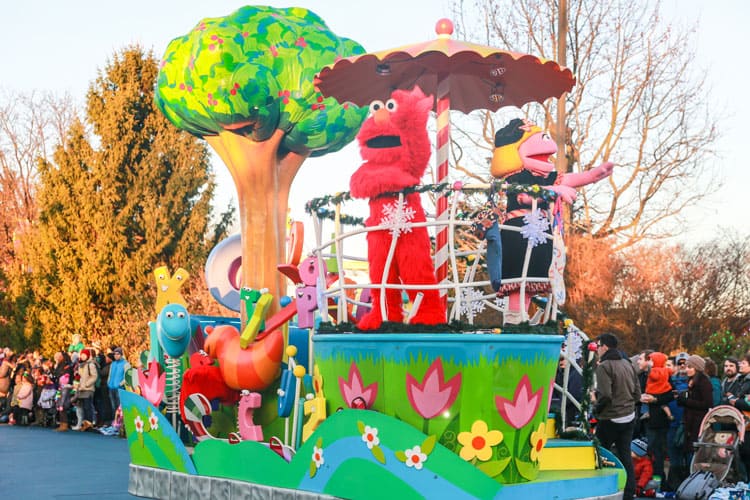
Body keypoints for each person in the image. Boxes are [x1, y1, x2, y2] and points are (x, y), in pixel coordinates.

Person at [593, 333, 641, 500]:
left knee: (600, 454)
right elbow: (637, 394)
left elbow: (605, 395)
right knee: (625, 455)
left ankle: (601, 490)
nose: (597, 350)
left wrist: (596, 408)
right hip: (629, 416)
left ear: (604, 346)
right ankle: (629, 493)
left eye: (598, 346)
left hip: (610, 417)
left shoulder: (604, 366)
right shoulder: (628, 364)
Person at [640, 352, 674, 481]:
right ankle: (644, 478)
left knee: (656, 451)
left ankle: (658, 480)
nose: (639, 362)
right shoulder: (641, 376)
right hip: (643, 418)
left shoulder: (662, 374)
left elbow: (670, 395)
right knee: (646, 450)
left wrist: (655, 399)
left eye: (643, 359)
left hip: (657, 420)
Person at [676, 355, 713, 465]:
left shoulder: (704, 382)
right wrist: (682, 398)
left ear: (696, 368)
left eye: (689, 367)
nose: (686, 369)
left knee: (694, 450)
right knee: (687, 449)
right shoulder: (691, 381)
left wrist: (686, 401)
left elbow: (707, 403)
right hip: (689, 420)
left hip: (698, 422)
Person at [76, 348, 97, 431]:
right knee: (83, 406)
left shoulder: (90, 365)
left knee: (88, 406)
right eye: (82, 355)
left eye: (84, 355)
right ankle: (85, 423)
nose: (83, 356)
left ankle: (89, 423)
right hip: (81, 388)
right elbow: (81, 377)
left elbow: (94, 376)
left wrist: (87, 384)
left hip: (88, 388)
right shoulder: (81, 365)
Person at [106, 347, 130, 415]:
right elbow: (110, 374)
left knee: (120, 406)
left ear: (121, 355)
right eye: (115, 354)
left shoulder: (126, 364)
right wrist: (108, 382)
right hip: (111, 387)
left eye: (118, 354)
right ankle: (115, 421)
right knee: (113, 406)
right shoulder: (113, 364)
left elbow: (127, 376)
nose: (116, 355)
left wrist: (121, 384)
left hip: (119, 388)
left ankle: (121, 421)